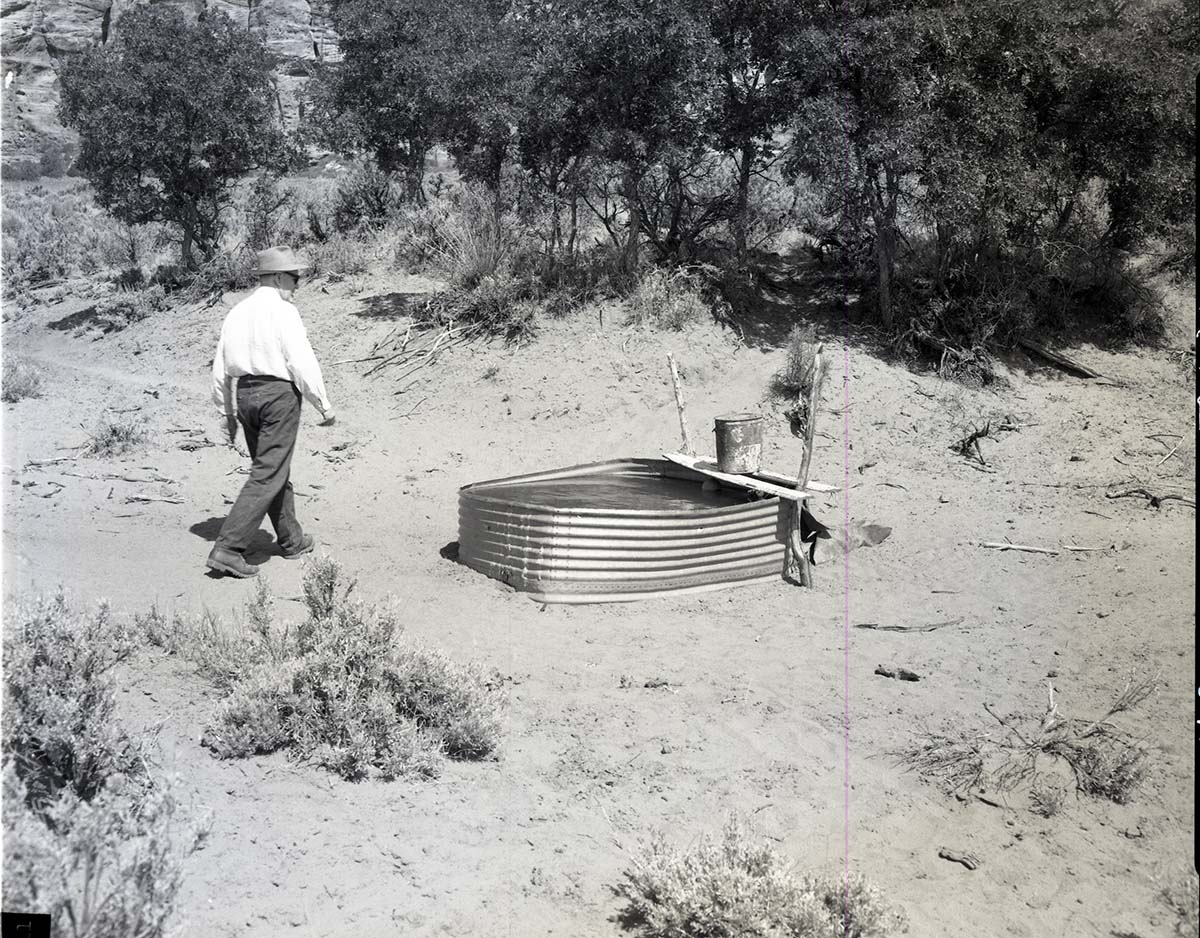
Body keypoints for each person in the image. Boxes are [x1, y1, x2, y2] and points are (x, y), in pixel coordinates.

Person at [206, 245, 335, 578]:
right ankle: (228, 548)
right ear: (277, 277)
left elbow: (220, 366)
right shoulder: (283, 312)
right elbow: (300, 361)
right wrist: (322, 404)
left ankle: (291, 539)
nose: (296, 285)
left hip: (245, 394)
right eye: (294, 278)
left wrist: (228, 411)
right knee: (268, 471)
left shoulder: (236, 312)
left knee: (271, 467)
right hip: (277, 396)